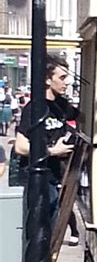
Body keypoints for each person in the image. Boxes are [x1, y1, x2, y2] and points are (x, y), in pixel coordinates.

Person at [15, 54, 76, 218]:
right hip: (36, 180)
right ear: (48, 80)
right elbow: (20, 146)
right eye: (62, 77)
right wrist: (52, 151)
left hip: (56, 178)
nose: (67, 82)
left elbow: (82, 117)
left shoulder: (62, 105)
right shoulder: (34, 108)